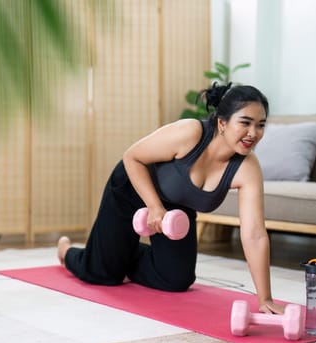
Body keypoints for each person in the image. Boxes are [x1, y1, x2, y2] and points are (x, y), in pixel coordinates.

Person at [57, 83, 285, 314]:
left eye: (261, 125)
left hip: (174, 207)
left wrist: (264, 298)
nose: (253, 133)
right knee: (102, 274)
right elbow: (132, 157)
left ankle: (118, 253)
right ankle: (67, 252)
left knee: (176, 279)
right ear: (222, 123)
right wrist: (154, 206)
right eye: (245, 123)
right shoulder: (190, 133)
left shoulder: (247, 167)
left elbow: (254, 234)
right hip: (132, 189)